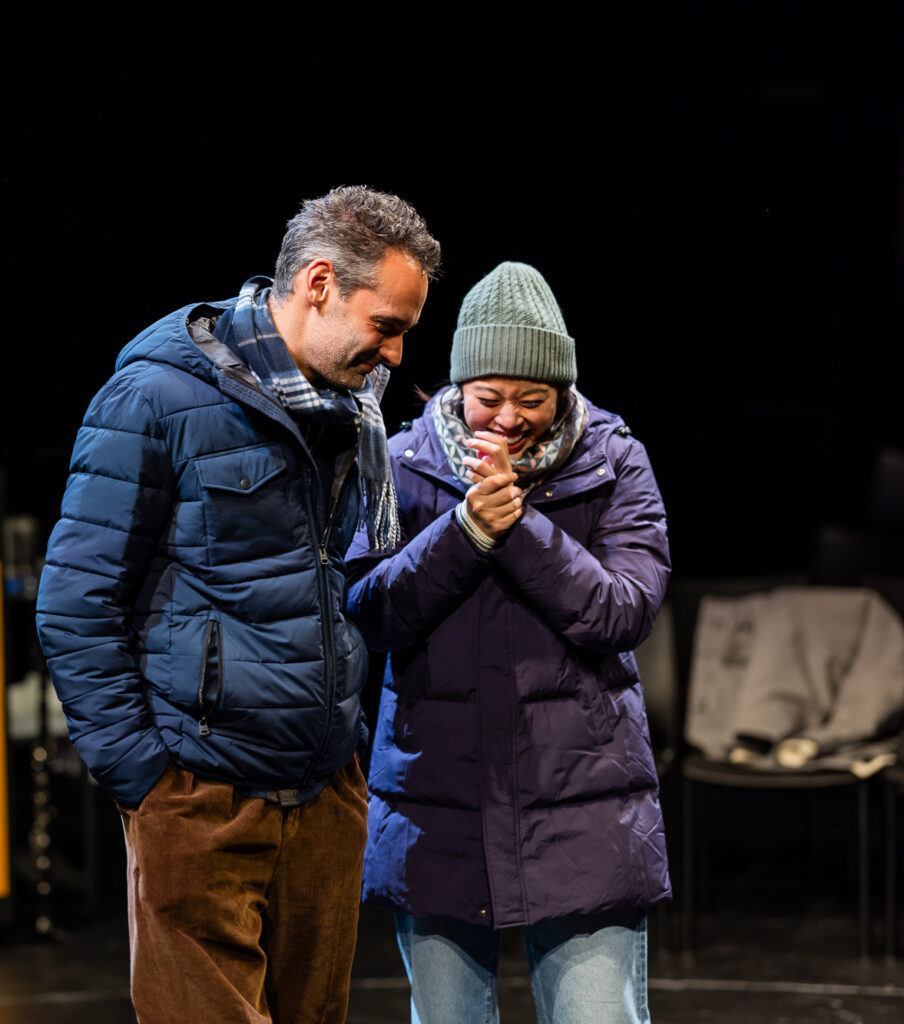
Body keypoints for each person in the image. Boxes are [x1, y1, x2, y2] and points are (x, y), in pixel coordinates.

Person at [35, 186, 441, 1023]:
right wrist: (149, 784)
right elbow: (75, 605)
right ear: (319, 283)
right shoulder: (157, 398)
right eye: (387, 325)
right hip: (200, 796)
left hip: (324, 793)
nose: (397, 355)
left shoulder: (350, 411)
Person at [346, 261, 671, 1024]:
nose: (508, 419)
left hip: (585, 804)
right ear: (459, 386)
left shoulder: (615, 461)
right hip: (437, 803)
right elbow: (371, 612)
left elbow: (623, 612)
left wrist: (519, 527)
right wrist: (463, 533)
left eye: (533, 399)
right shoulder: (399, 464)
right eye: (490, 397)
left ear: (563, 390)